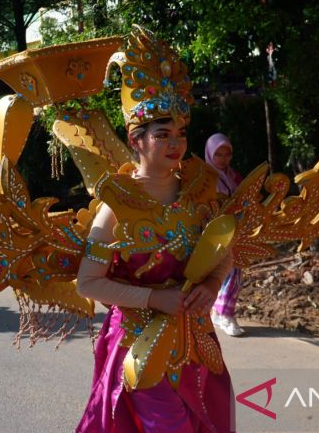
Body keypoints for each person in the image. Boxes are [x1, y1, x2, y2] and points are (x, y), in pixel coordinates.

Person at [75, 27, 235, 432]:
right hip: (138, 342)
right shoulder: (116, 206)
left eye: (180, 134)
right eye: (162, 135)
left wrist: (212, 287)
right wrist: (152, 298)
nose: (175, 144)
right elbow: (88, 283)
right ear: (136, 139)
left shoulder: (201, 194)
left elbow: (224, 255)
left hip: (197, 341)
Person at [205, 133, 246, 337]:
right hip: (212, 234)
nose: (222, 159)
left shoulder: (233, 176)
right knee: (226, 272)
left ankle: (223, 312)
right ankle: (223, 314)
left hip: (235, 231)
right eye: (218, 154)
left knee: (234, 271)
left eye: (226, 154)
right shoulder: (204, 177)